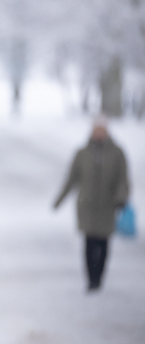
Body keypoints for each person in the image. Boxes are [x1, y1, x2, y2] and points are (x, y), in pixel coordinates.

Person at [53, 117, 129, 292]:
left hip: (107, 206)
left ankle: (100, 276)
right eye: (97, 129)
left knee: (103, 243)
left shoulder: (117, 153)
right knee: (88, 243)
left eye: (102, 129)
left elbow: (123, 179)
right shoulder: (82, 153)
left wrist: (121, 198)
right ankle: (91, 279)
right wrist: (59, 200)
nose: (99, 133)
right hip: (86, 205)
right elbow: (71, 179)